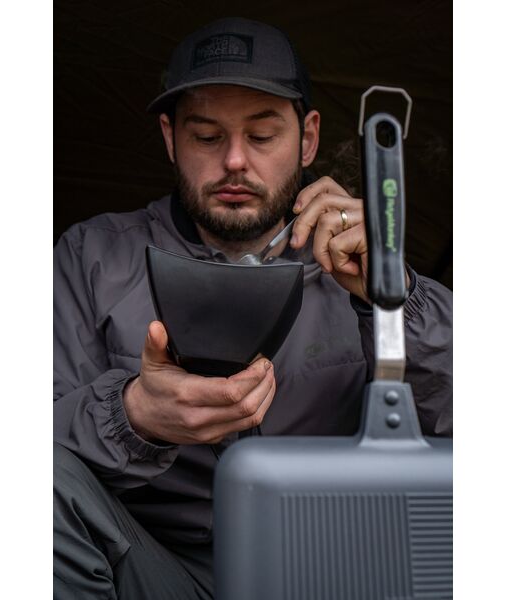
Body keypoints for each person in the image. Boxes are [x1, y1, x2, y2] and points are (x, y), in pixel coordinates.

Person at [54, 16, 452, 600]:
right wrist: (133, 415)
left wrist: (399, 294)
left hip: (340, 564)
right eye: (206, 137)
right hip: (161, 568)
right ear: (170, 137)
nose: (236, 161)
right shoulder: (93, 256)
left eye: (263, 136)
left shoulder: (365, 259)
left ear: (308, 138)